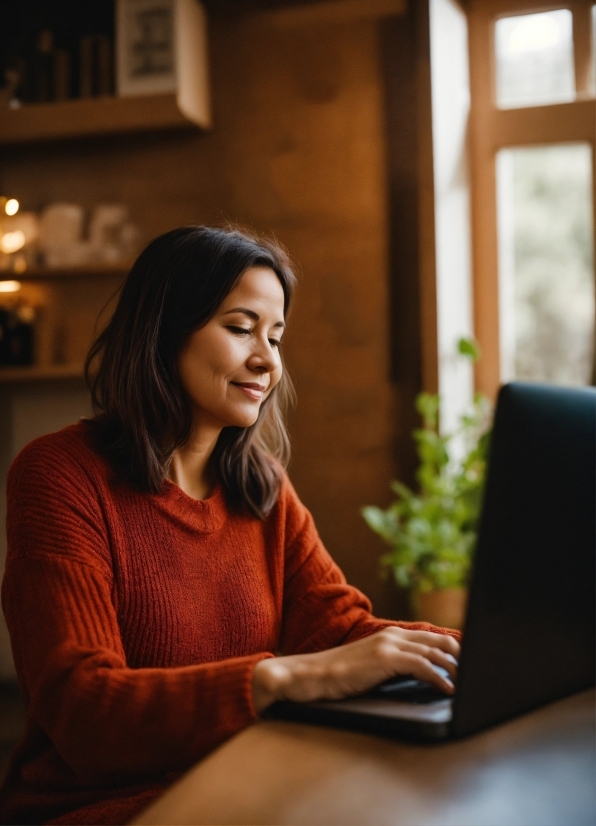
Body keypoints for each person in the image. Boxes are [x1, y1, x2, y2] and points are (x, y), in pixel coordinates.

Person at [0, 226, 460, 825]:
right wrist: (281, 678)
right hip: (101, 810)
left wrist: (474, 654)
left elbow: (341, 629)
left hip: (245, 785)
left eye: (276, 336)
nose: (267, 360)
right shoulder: (60, 474)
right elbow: (86, 714)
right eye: (241, 328)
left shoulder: (262, 485)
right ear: (163, 330)